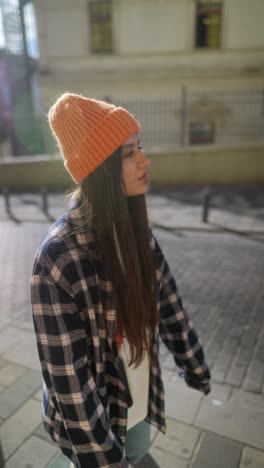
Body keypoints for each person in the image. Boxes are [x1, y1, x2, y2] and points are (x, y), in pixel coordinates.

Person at [31, 93, 211, 468]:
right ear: (101, 168)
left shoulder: (136, 230)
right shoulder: (57, 260)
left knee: (139, 450)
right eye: (128, 153)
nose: (144, 160)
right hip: (94, 420)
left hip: (140, 396)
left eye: (138, 148)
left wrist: (193, 364)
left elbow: (168, 302)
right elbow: (71, 387)